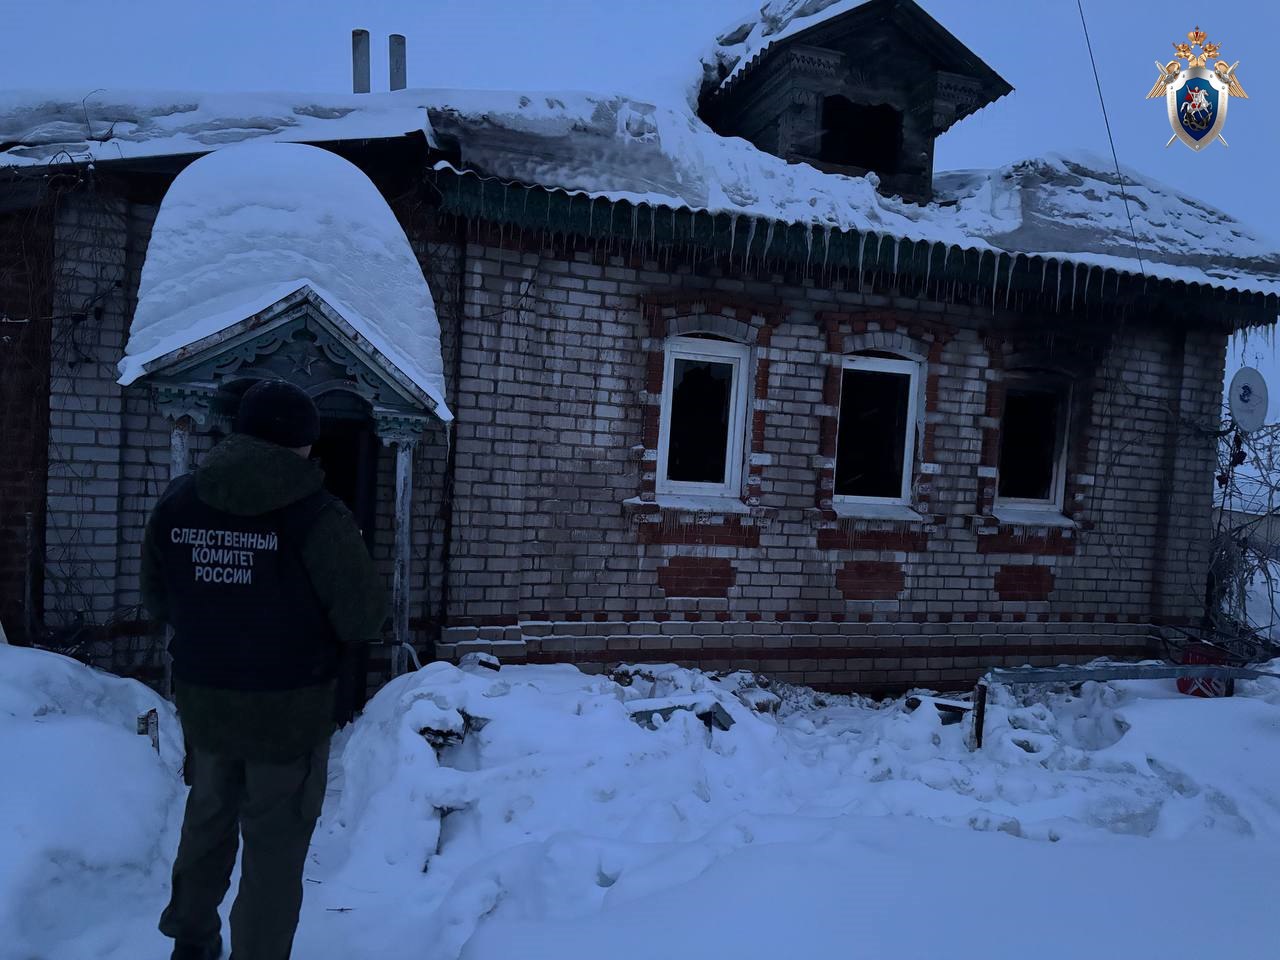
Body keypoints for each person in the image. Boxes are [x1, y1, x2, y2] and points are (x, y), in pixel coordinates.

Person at [142, 379, 387, 960]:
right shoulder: (320, 515)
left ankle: (192, 942)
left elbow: (158, 600)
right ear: (303, 443)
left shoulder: (179, 502)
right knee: (274, 850)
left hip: (206, 702)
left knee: (206, 823)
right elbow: (361, 616)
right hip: (289, 712)